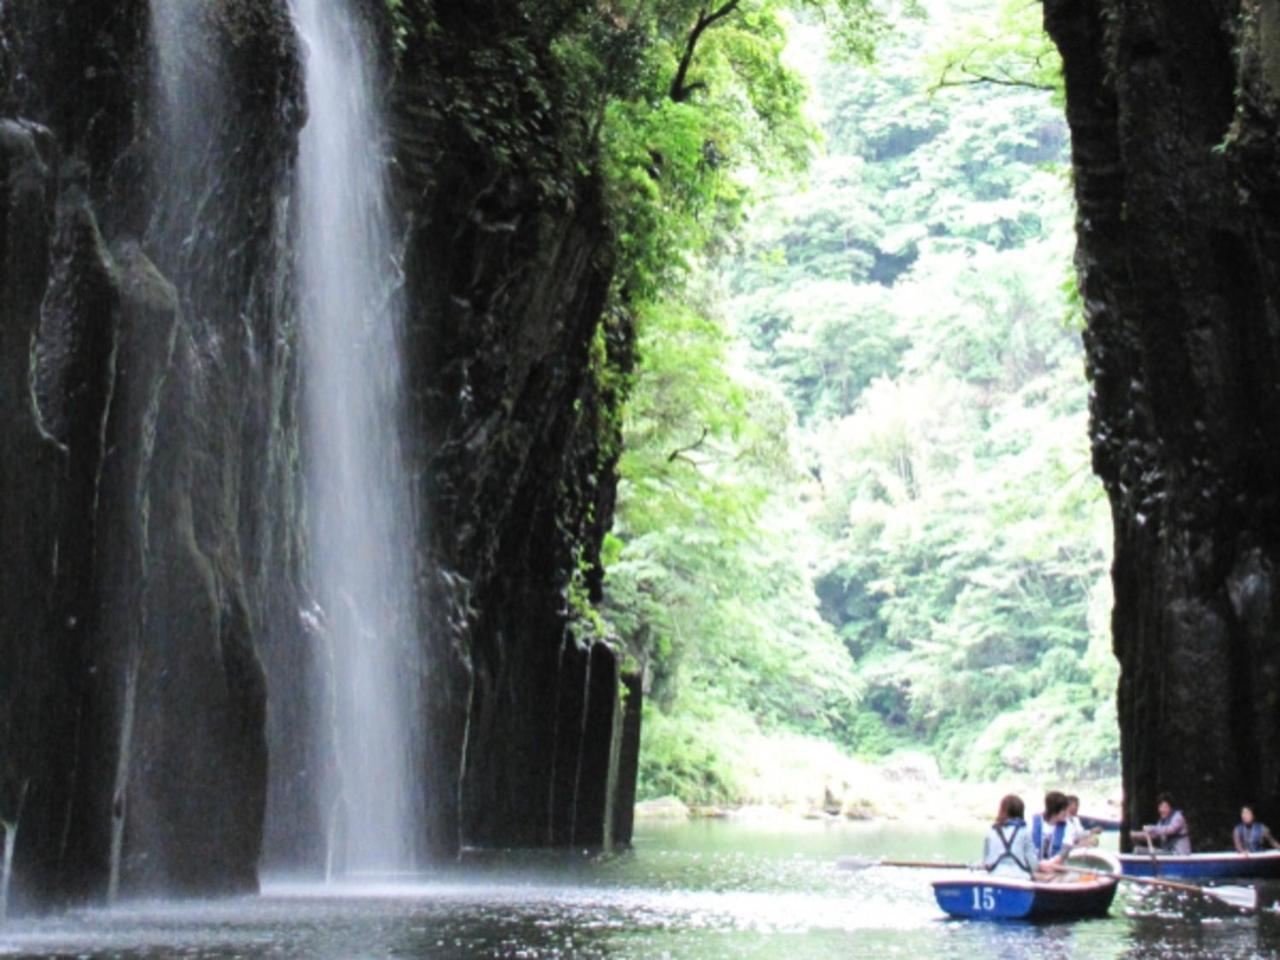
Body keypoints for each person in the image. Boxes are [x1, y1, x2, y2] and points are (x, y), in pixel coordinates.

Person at [983, 794, 1040, 878]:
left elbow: (986, 860)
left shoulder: (991, 831)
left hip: (994, 876)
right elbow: (1033, 863)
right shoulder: (1025, 831)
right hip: (1020, 877)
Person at [1032, 791, 1072, 861]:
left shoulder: (1068, 826)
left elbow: (1066, 848)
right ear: (1054, 810)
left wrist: (1052, 863)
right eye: (1064, 810)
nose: (1067, 813)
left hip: (1055, 866)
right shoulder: (1032, 821)